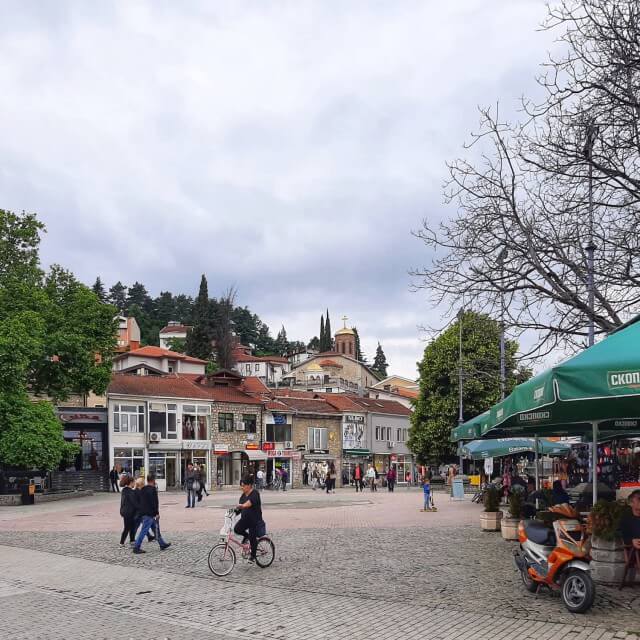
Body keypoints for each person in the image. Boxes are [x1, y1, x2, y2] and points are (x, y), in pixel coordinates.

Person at [133, 475, 171, 554]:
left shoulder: (143, 489)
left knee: (155, 528)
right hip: (149, 513)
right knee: (144, 530)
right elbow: (155, 502)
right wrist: (157, 513)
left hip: (143, 512)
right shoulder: (153, 489)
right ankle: (136, 547)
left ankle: (162, 543)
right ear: (153, 480)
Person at [234, 474, 262, 564]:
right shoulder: (243, 496)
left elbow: (248, 503)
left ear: (249, 485)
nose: (242, 487)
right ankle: (246, 536)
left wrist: (242, 506)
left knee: (252, 537)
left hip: (254, 520)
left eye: (243, 485)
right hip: (245, 519)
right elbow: (240, 508)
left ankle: (253, 556)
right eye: (241, 485)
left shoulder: (255, 493)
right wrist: (234, 512)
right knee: (237, 529)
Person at [119, 475, 138, 547]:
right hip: (129, 512)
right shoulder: (130, 492)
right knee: (128, 527)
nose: (134, 484)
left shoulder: (124, 490)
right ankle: (122, 542)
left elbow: (122, 502)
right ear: (131, 482)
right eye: (134, 482)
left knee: (131, 527)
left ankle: (132, 540)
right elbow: (134, 503)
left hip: (125, 511)